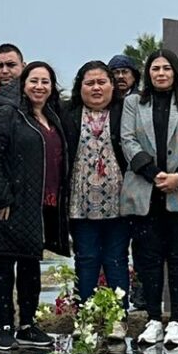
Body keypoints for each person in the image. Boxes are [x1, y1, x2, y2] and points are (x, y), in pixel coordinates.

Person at [0, 61, 71, 350]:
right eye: (34, 81)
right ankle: (4, 326)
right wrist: (1, 196)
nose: (39, 87)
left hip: (41, 203)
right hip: (8, 203)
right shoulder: (8, 113)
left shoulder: (53, 117)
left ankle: (28, 325)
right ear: (23, 84)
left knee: (31, 265)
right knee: (3, 265)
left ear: (52, 87)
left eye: (45, 81)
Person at [121, 49, 178, 346]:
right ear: (148, 73)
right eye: (155, 68)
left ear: (175, 72)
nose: (161, 73)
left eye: (166, 68)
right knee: (148, 258)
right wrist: (153, 173)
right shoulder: (133, 102)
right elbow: (127, 140)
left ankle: (177, 321)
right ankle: (154, 319)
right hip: (145, 190)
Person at [60, 61, 131, 340]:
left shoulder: (125, 112)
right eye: (90, 83)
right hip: (80, 201)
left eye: (102, 82)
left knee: (116, 259)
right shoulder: (68, 114)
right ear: (80, 87)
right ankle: (85, 318)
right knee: (86, 258)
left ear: (113, 86)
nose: (96, 88)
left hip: (119, 199)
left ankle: (118, 318)